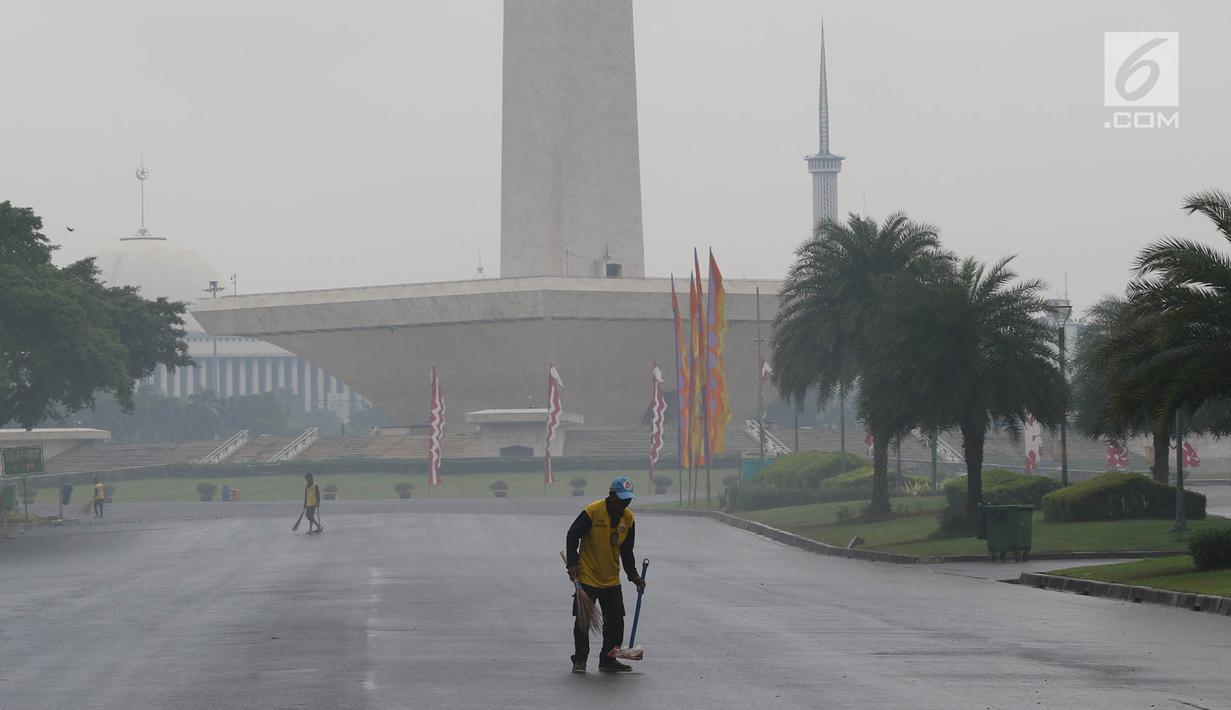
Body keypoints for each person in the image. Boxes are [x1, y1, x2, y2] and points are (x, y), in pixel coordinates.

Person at [564, 476, 646, 674]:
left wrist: (633, 575)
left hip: (610, 577)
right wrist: (573, 564)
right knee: (583, 619)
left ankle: (608, 659)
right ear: (611, 496)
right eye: (621, 499)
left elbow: (627, 551)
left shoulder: (628, 519)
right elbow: (572, 534)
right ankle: (580, 660)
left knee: (616, 619)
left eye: (628, 500)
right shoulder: (592, 511)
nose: (625, 503)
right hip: (588, 575)